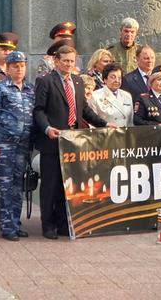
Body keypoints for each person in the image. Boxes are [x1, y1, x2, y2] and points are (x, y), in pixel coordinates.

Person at [33, 45, 109, 239]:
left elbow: (84, 110)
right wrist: (47, 128)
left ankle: (62, 224)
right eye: (65, 61)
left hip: (72, 143)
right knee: (50, 185)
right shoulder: (45, 81)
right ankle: (47, 225)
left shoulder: (77, 81)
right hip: (52, 141)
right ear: (57, 61)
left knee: (66, 185)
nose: (68, 64)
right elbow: (38, 110)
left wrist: (105, 124)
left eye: (71, 61)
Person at [0, 51, 35, 241]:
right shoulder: (0, 88)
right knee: (5, 185)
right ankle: (6, 226)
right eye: (15, 65)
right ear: (8, 67)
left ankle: (16, 222)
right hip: (4, 144)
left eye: (22, 65)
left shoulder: (30, 89)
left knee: (18, 185)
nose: (19, 68)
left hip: (22, 144)